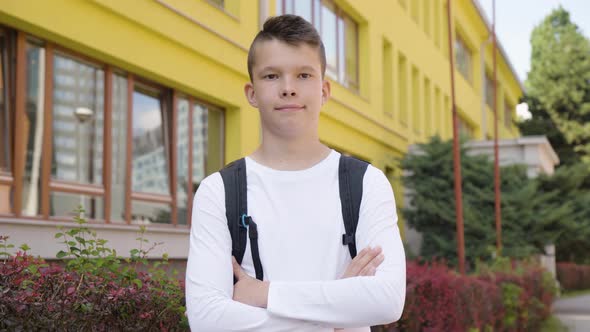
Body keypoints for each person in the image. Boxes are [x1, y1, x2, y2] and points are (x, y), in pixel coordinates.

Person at [185, 14, 406, 332]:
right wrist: (337, 313)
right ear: (251, 92)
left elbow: (387, 300)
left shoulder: (366, 183)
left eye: (303, 75)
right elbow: (207, 320)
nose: (288, 88)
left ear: (324, 90)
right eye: (272, 76)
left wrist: (265, 294)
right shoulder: (219, 191)